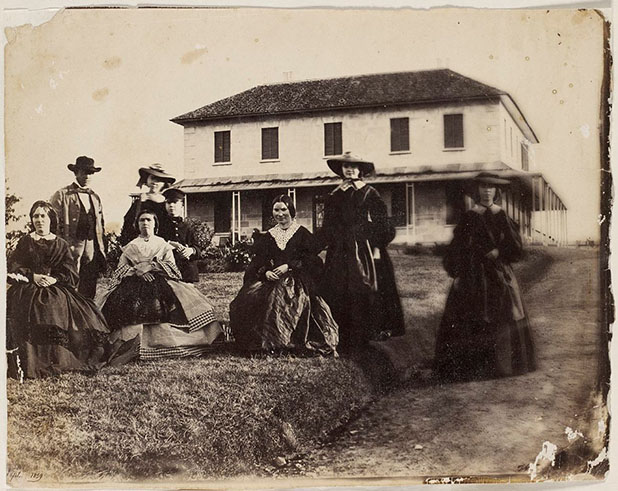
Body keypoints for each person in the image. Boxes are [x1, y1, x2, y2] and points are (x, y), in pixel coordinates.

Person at [434, 172, 536, 381]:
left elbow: (515, 246)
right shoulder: (470, 216)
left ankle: (504, 365)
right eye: (483, 188)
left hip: (498, 272)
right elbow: (457, 247)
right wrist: (458, 271)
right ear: (477, 191)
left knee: (506, 312)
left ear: (496, 191)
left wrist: (499, 251)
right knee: (472, 313)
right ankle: (474, 367)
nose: (487, 191)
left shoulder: (502, 215)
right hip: (474, 273)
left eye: (491, 188)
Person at [97, 209, 223, 361]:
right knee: (128, 307)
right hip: (133, 283)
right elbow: (120, 269)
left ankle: (164, 345)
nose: (145, 223)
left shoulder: (162, 244)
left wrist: (152, 266)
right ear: (137, 225)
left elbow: (172, 267)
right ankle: (132, 345)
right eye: (141, 220)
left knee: (164, 306)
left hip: (159, 282)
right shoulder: (130, 246)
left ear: (155, 224)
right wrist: (137, 271)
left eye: (149, 220)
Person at [6, 201, 110, 379]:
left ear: (50, 219)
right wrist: (33, 277)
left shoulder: (60, 244)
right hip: (28, 286)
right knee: (28, 306)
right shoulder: (26, 241)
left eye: (43, 216)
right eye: (35, 216)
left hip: (55, 287)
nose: (39, 220)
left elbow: (69, 271)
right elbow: (14, 265)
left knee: (55, 304)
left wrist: (54, 279)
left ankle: (56, 356)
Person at [229, 194, 339, 355]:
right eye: (276, 210)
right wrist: (265, 272)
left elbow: (312, 261)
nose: (280, 214)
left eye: (283, 209)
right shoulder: (269, 236)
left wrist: (289, 266)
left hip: (298, 279)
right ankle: (261, 341)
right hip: (272, 278)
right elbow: (259, 261)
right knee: (246, 299)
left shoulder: (301, 233)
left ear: (291, 210)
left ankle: (282, 341)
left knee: (280, 297)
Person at [318, 151, 405, 352]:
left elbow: (384, 224)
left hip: (365, 249)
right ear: (341, 169)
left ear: (361, 170)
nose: (349, 169)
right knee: (338, 287)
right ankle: (341, 332)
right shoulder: (334, 195)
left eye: (354, 166)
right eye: (345, 166)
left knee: (366, 287)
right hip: (340, 250)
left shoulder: (370, 193)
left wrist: (373, 242)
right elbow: (328, 226)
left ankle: (367, 332)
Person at [50, 156, 106, 299]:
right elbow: (52, 223)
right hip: (70, 244)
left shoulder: (95, 197)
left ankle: (87, 314)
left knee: (89, 282)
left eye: (91, 173)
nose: (87, 176)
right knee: (69, 279)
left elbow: (100, 225)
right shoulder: (62, 195)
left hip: (91, 245)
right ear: (76, 173)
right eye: (84, 172)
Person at [119, 163, 175, 246]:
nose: (155, 183)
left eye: (159, 180)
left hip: (163, 243)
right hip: (143, 243)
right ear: (147, 180)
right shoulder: (140, 201)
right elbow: (129, 221)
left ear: (164, 183)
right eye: (152, 178)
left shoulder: (168, 202)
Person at [158, 188, 201, 283]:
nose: (172, 205)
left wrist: (190, 250)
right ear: (165, 205)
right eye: (169, 203)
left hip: (187, 272)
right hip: (168, 269)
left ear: (182, 206)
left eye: (175, 202)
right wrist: (169, 244)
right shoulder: (160, 226)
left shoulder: (188, 227)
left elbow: (198, 249)